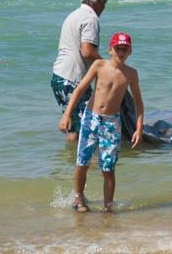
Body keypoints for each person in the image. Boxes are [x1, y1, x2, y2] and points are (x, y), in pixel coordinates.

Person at [58, 32, 144, 213]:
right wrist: (67, 114)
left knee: (108, 167)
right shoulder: (99, 65)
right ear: (110, 49)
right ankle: (79, 197)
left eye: (125, 49)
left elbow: (138, 101)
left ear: (130, 51)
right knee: (83, 161)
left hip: (112, 123)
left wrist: (139, 127)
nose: (121, 52)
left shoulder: (131, 74)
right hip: (91, 118)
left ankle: (108, 206)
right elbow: (80, 88)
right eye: (117, 48)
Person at [51, 0, 108, 142]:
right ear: (97, 1)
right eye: (104, 2)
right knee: (88, 128)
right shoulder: (91, 18)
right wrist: (107, 67)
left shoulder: (75, 14)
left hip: (59, 76)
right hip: (72, 78)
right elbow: (87, 52)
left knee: (74, 127)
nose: (104, 7)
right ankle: (84, 163)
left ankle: (70, 161)